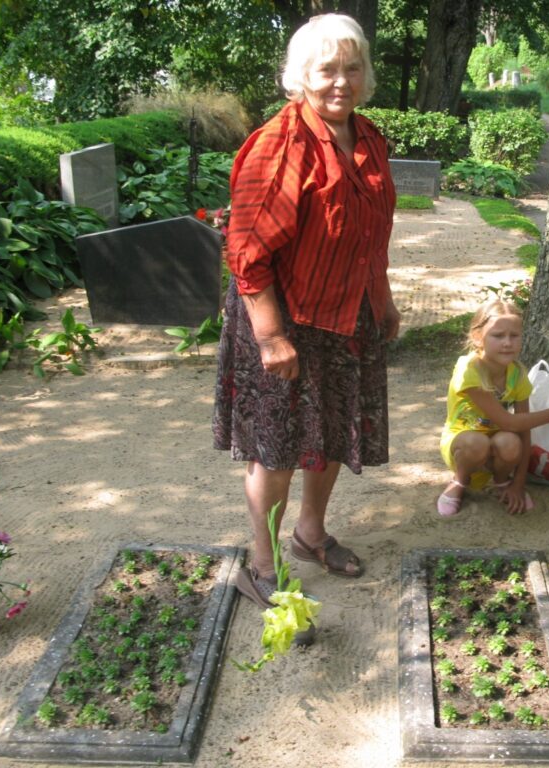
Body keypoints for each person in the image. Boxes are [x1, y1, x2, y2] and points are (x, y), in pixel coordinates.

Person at [212, 14, 400, 635]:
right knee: (278, 448)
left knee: (332, 435)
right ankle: (261, 567)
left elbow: (371, 238)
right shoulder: (281, 142)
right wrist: (269, 335)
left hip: (348, 318)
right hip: (286, 323)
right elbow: (247, 252)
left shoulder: (368, 137)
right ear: (301, 76)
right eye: (327, 69)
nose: (341, 81)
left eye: (352, 68)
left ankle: (310, 534)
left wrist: (384, 299)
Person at [438, 297, 549, 517]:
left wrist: (519, 483)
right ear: (478, 337)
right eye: (498, 335)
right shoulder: (468, 369)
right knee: (477, 442)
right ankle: (459, 482)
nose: (507, 343)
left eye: (514, 336)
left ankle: (502, 482)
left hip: (496, 445)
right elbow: (507, 421)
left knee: (511, 441)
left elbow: (523, 430)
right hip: (463, 443)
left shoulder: (517, 374)